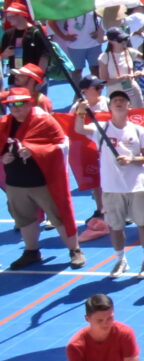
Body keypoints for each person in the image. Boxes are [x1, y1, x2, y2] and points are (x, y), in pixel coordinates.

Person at [0, 85, 86, 270]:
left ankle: (75, 250)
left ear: (30, 103)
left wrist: (34, 150)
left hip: (44, 181)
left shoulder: (44, 121)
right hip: (16, 182)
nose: (15, 108)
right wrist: (2, 157)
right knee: (25, 219)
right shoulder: (5, 123)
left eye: (20, 103)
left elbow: (62, 145)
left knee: (59, 216)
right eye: (11, 104)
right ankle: (31, 251)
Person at [83, 88, 144, 277]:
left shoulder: (139, 130)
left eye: (122, 100)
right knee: (115, 226)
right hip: (112, 186)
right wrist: (79, 112)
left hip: (136, 185)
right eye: (115, 100)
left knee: (143, 224)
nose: (119, 102)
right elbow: (78, 129)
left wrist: (130, 160)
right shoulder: (101, 129)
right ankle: (120, 261)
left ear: (129, 106)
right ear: (109, 106)